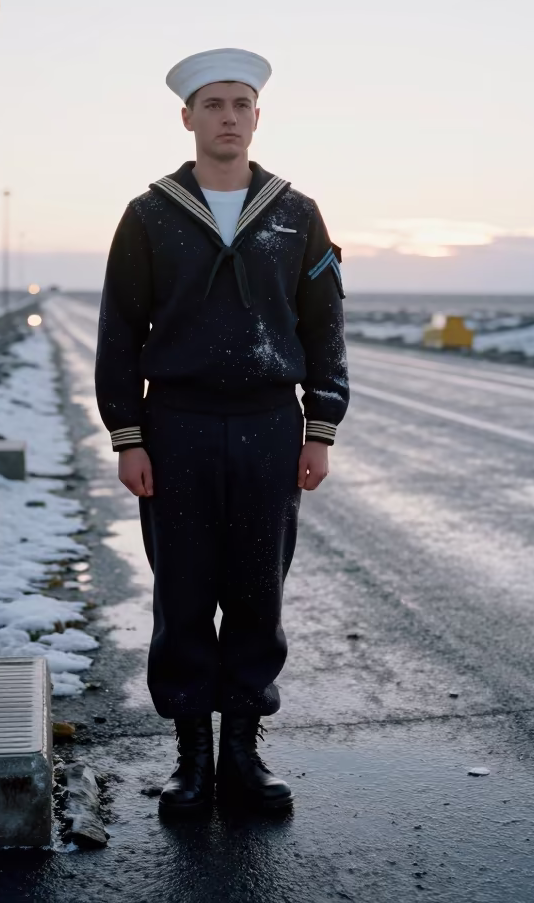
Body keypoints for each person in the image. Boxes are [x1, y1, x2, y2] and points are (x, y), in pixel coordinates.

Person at [95, 47, 348, 814]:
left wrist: (320, 425)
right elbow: (118, 332)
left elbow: (325, 325)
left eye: (240, 104)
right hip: (179, 427)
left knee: (256, 593)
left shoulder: (297, 215)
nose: (228, 117)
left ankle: (243, 752)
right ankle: (191, 760)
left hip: (272, 425)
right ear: (188, 118)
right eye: (213, 105)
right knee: (182, 591)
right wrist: (129, 435)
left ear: (258, 117)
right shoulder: (149, 215)